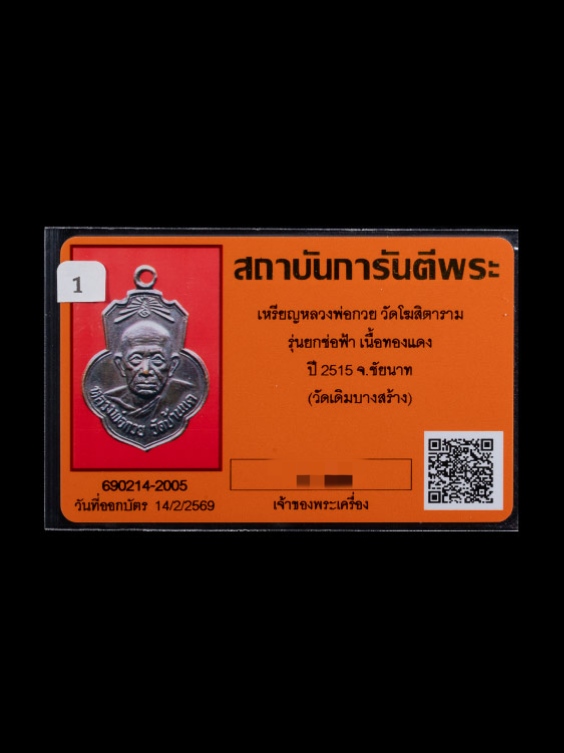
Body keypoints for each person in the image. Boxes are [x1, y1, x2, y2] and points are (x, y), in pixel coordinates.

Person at [102, 319, 193, 419]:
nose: (146, 370)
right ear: (120, 365)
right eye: (136, 359)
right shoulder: (110, 399)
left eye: (157, 360)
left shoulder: (187, 394)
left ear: (173, 365)